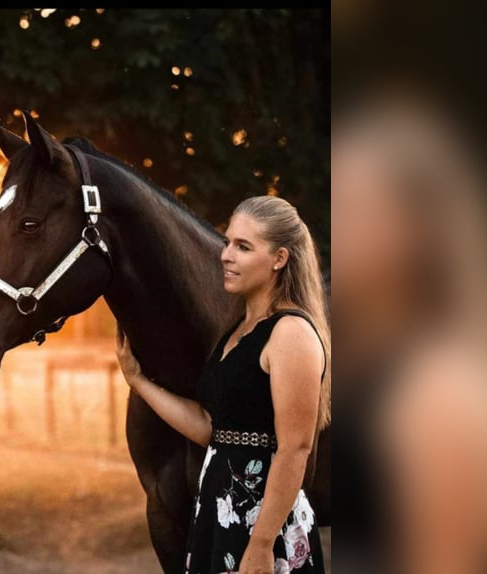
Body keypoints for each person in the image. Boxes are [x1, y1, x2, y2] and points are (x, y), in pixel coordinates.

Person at [116, 196, 330, 574]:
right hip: (220, 515)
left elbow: (295, 447)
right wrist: (137, 381)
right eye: (228, 241)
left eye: (243, 247)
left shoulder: (290, 333)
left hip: (263, 524)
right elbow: (212, 430)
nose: (226, 255)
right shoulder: (237, 331)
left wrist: (262, 543)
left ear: (279, 259)